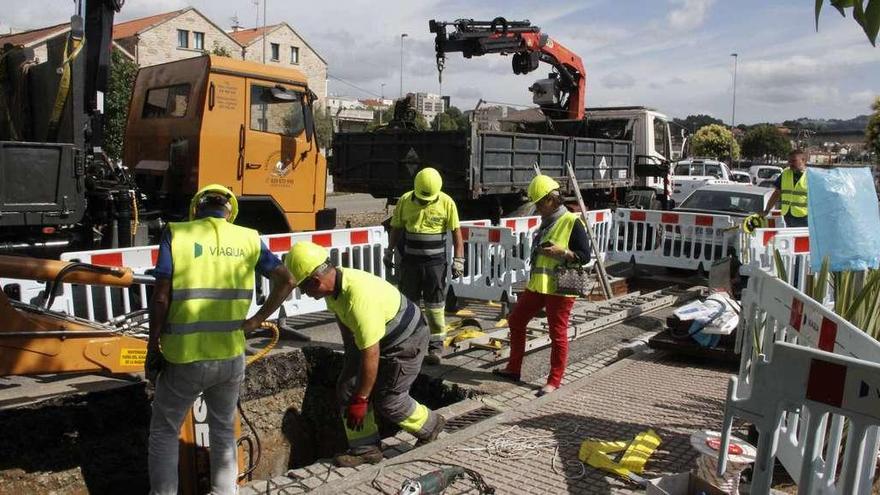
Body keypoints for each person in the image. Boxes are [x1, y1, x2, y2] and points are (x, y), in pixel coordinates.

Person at [145, 184, 295, 495]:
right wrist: (256, 319)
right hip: (230, 356)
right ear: (230, 212)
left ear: (196, 208)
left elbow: (161, 297)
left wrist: (153, 345)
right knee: (224, 430)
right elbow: (287, 279)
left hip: (184, 356)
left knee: (164, 430)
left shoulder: (178, 233)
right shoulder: (248, 239)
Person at [288, 241, 446, 467]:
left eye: (304, 288)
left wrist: (361, 399)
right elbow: (348, 333)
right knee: (346, 386)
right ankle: (365, 449)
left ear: (316, 280)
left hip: (407, 341)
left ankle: (430, 425)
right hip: (385, 339)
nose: (305, 294)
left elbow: (371, 354)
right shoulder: (334, 291)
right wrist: (350, 374)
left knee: (389, 400)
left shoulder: (358, 299)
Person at [493, 175, 591, 396]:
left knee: (558, 334)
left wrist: (563, 252)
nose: (537, 208)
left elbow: (585, 256)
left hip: (560, 288)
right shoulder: (546, 222)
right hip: (539, 286)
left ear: (552, 199)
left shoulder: (571, 221)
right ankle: (513, 369)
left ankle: (554, 381)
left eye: (539, 203)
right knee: (516, 320)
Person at [386, 167, 464, 365]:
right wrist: (389, 251)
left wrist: (459, 259)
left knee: (435, 307)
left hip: (435, 266)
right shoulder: (405, 200)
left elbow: (457, 234)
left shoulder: (447, 202)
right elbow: (396, 228)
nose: (424, 202)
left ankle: (436, 347)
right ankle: (408, 344)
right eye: (421, 199)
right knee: (408, 306)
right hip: (410, 264)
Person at [762, 149, 809, 228]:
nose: (790, 163)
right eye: (789, 161)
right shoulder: (785, 173)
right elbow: (776, 194)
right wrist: (767, 210)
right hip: (788, 215)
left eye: (794, 161)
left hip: (804, 217)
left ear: (803, 160)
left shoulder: (810, 176)